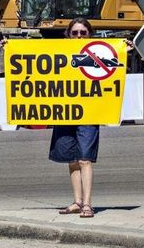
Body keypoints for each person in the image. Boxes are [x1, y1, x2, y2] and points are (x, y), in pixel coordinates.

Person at [51, 17, 99, 218]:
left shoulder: (99, 53)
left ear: (89, 35)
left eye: (83, 33)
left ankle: (87, 204)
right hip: (65, 111)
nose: (79, 36)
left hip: (89, 111)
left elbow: (117, 61)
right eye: (75, 33)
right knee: (71, 159)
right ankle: (77, 202)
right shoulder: (58, 52)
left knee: (85, 159)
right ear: (68, 35)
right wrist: (8, 47)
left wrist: (126, 48)